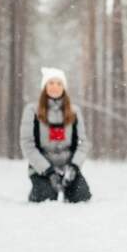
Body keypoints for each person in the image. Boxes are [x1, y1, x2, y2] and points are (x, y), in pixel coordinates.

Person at [19, 67, 92, 203]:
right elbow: (27, 145)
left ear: (64, 87)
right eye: (51, 83)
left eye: (59, 83)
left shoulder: (74, 112)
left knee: (82, 197)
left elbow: (83, 143)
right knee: (46, 197)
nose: (55, 87)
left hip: (68, 168)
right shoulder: (32, 111)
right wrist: (48, 171)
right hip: (42, 169)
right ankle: (40, 189)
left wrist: (74, 167)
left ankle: (69, 187)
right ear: (44, 86)